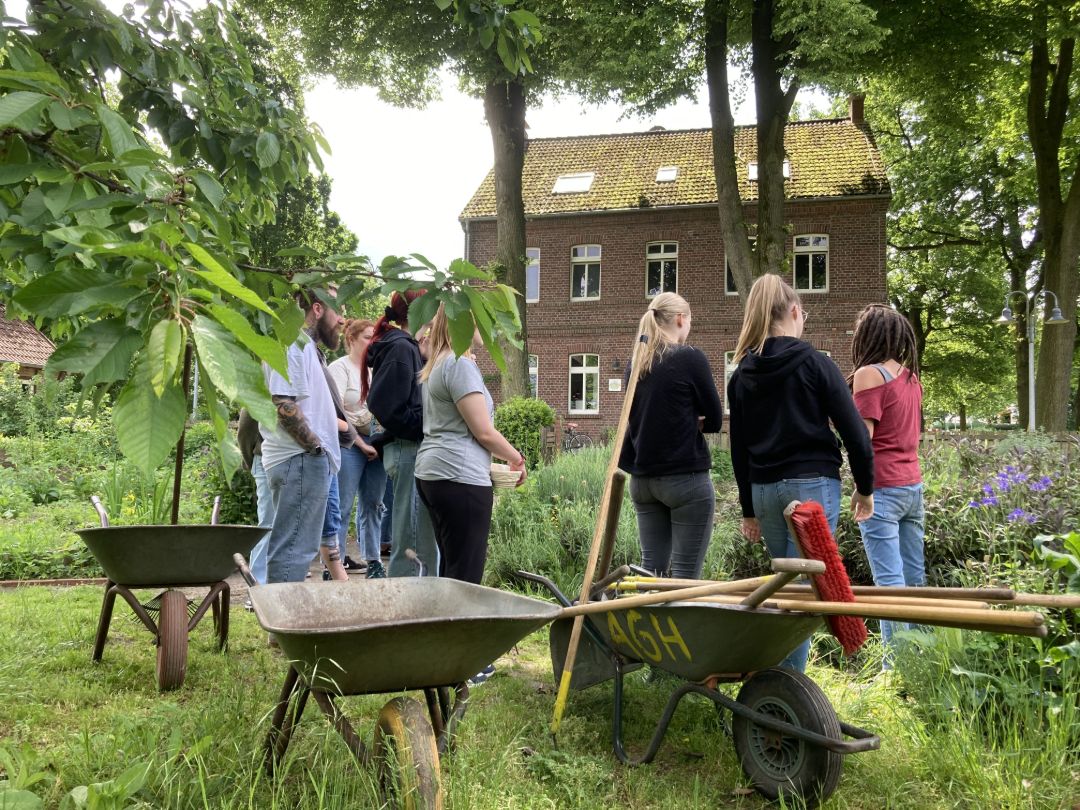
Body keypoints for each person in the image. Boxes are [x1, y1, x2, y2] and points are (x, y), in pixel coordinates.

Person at [727, 274, 875, 673]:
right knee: (801, 597)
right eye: (803, 314)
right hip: (811, 488)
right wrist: (865, 488)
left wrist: (747, 509)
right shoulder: (815, 363)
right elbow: (856, 433)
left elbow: (737, 448)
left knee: (786, 591)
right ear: (794, 312)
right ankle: (786, 694)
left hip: (764, 492)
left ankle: (777, 684)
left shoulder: (741, 374)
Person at [415, 304, 526, 584]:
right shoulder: (458, 364)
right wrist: (516, 458)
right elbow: (484, 432)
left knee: (451, 570)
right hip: (459, 478)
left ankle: (442, 627)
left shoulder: (439, 363)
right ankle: (458, 627)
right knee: (465, 577)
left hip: (433, 474)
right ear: (463, 322)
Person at [618, 292, 723, 579]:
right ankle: (683, 624)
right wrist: (693, 419)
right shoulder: (690, 358)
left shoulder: (635, 363)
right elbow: (714, 417)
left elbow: (637, 416)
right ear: (680, 319)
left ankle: (645, 624)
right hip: (684, 480)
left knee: (650, 571)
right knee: (684, 578)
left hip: (643, 482)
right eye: (689, 320)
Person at [849, 304, 925, 665]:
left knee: (889, 583)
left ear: (869, 337)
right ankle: (925, 660)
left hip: (883, 489)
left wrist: (861, 488)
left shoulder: (868, 375)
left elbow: (862, 442)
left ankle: (895, 669)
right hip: (913, 487)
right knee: (914, 581)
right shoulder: (911, 378)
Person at [260, 289, 344, 585]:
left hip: (301, 460)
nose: (343, 320)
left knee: (295, 549)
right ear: (318, 309)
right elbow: (284, 404)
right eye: (339, 311)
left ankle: (282, 629)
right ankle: (282, 630)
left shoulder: (301, 345)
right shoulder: (293, 342)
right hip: (300, 460)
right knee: (293, 551)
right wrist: (316, 449)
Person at [361, 290, 439, 577]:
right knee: (413, 542)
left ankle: (419, 609)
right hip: (407, 451)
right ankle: (408, 614)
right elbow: (384, 405)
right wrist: (424, 427)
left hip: (409, 450)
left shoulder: (407, 347)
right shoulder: (400, 349)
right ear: (421, 308)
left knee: (417, 537)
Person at [328, 319, 388, 579]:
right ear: (351, 339)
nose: (372, 342)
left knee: (374, 504)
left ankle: (373, 559)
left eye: (375, 337)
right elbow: (334, 411)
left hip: (377, 446)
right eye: (366, 337)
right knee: (341, 505)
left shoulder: (378, 369)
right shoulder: (339, 369)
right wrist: (361, 443)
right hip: (349, 446)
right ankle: (335, 562)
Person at [237, 409, 274, 587]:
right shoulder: (261, 385)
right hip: (265, 459)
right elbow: (245, 431)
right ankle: (257, 586)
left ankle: (277, 584)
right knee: (268, 524)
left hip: (289, 459)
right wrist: (251, 462)